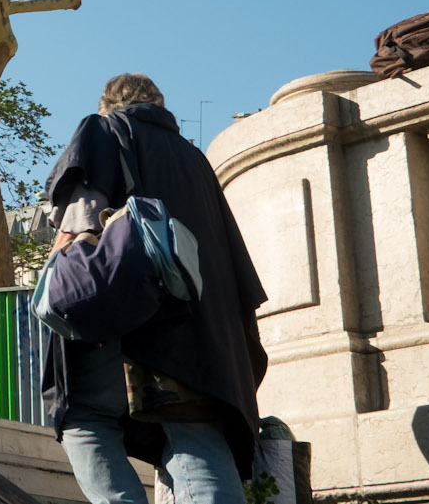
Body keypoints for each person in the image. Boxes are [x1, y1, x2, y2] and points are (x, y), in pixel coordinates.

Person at [42, 73, 268, 504]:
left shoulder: (103, 129)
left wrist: (56, 277)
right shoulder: (195, 159)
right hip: (200, 332)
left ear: (109, 103)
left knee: (83, 417)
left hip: (123, 316)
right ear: (161, 108)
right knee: (195, 433)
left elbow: (78, 222)